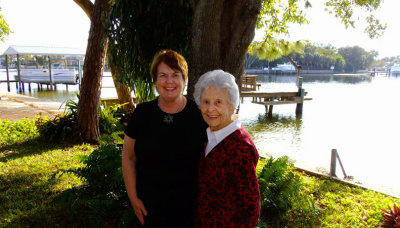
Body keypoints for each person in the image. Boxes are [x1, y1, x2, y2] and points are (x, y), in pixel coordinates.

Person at [122, 50, 207, 227]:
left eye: (176, 75)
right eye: (163, 75)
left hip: (188, 210)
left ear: (184, 79)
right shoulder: (142, 113)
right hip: (148, 209)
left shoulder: (198, 114)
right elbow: (128, 157)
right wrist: (133, 197)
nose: (169, 81)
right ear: (155, 80)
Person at [193, 70, 260, 227]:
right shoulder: (211, 136)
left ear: (232, 105)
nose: (210, 109)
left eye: (218, 102)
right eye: (206, 102)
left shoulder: (240, 147)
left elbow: (251, 210)